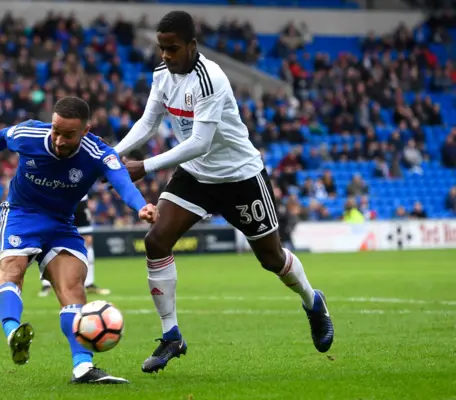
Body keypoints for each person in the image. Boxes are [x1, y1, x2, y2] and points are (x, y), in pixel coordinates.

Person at [113, 11, 334, 374]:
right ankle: (171, 336)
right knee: (156, 242)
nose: (166, 55)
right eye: (161, 48)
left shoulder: (210, 79)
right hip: (196, 177)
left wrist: (146, 166)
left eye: (173, 48)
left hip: (239, 177)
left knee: (271, 258)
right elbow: (149, 122)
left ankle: (313, 302)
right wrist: (114, 155)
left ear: (192, 45)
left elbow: (200, 142)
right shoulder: (161, 75)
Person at [0, 97, 157, 384]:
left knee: (72, 288)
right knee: (12, 271)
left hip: (61, 224)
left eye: (68, 134)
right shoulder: (31, 134)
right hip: (21, 214)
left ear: (85, 131)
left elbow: (120, 178)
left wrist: (141, 206)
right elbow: (1, 137)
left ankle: (83, 368)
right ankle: (13, 332)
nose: (58, 139)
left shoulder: (97, 152)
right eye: (56, 130)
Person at [38, 195, 111, 297]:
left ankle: (88, 284)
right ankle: (47, 284)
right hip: (55, 199)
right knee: (48, 241)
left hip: (79, 200)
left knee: (87, 242)